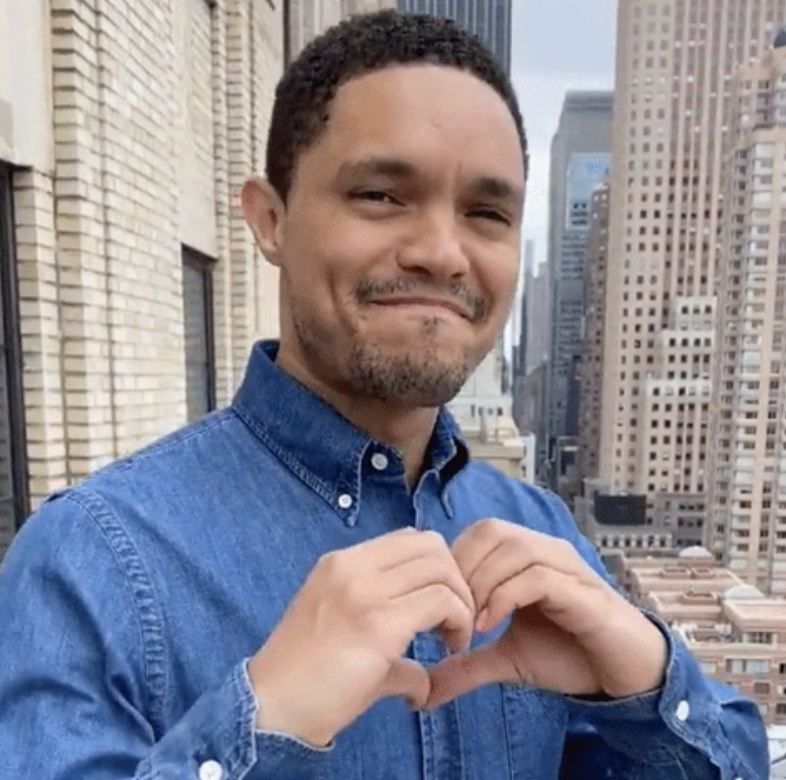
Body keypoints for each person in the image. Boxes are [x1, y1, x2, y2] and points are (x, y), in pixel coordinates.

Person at [0, 10, 769, 780]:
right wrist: (260, 723)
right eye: (380, 194)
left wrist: (642, 682)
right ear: (270, 220)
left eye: (486, 213)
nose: (441, 251)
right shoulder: (92, 561)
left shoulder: (540, 532)